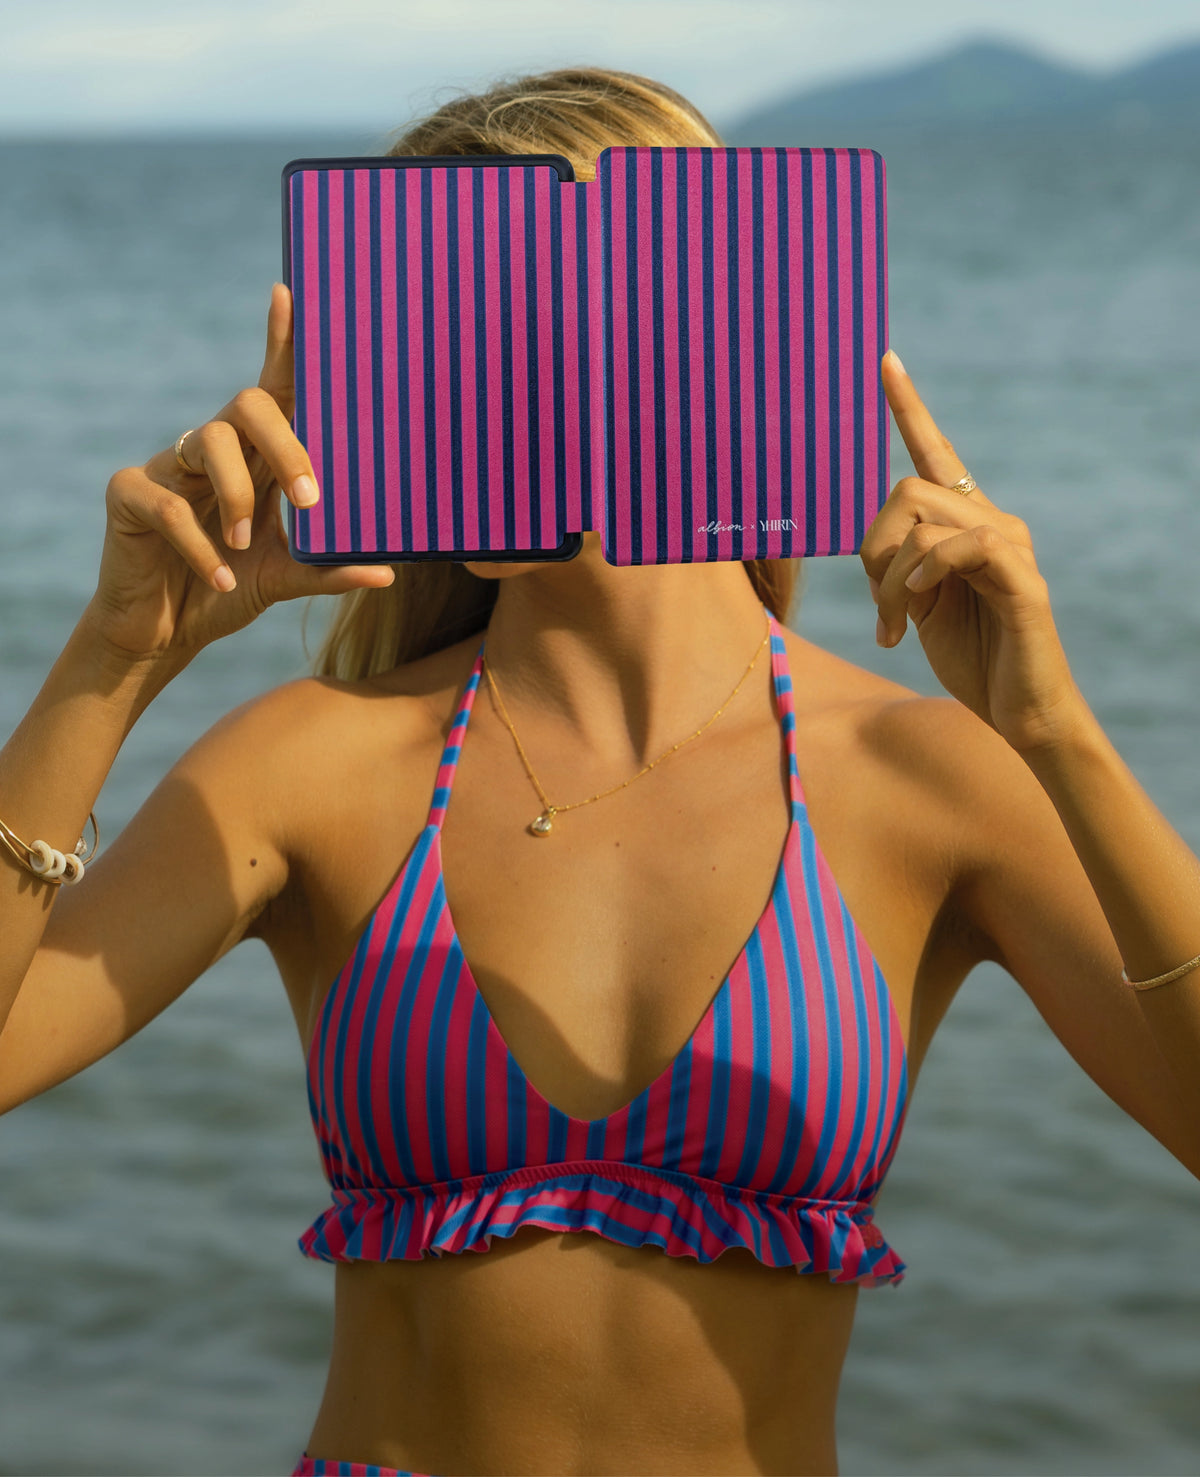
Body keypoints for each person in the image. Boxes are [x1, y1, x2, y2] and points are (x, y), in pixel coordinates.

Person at [2, 65, 1198, 1477]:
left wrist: (1055, 734)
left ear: (702, 332)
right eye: (425, 322)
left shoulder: (921, 773)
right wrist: (114, 659)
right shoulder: (317, 761)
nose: (465, 370)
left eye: (518, 311)